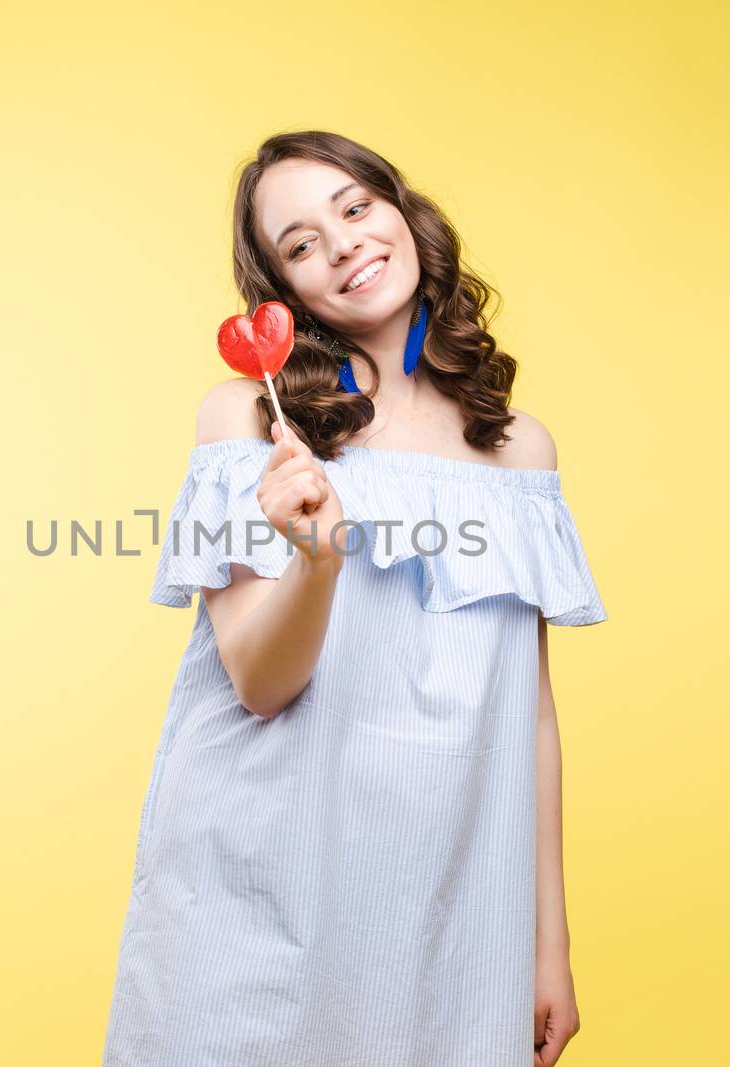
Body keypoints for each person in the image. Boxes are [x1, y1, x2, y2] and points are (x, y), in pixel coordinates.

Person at [102, 130, 609, 1067]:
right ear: (284, 292)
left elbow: (528, 715)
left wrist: (549, 945)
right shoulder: (252, 422)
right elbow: (257, 682)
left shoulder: (519, 449)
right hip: (265, 878)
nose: (340, 244)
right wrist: (318, 560)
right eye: (299, 244)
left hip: (451, 895)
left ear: (402, 212)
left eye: (354, 206)